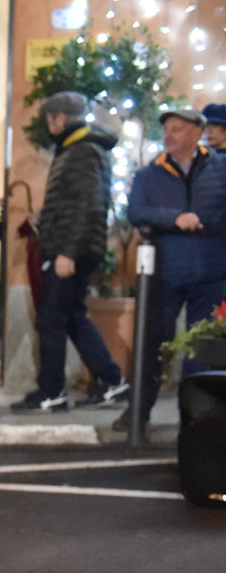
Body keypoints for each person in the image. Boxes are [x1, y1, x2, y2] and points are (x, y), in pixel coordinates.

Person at [12, 92, 128, 413]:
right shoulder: (79, 149)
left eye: (50, 119)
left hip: (70, 252)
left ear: (59, 118)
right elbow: (75, 204)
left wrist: (67, 253)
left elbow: (85, 207)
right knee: (73, 317)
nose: (49, 126)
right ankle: (111, 382)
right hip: (71, 248)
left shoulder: (81, 152)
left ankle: (53, 393)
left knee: (51, 320)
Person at [121, 107, 226, 430]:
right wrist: (174, 217)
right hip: (164, 274)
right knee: (152, 342)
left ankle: (196, 419)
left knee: (201, 350)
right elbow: (136, 211)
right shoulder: (149, 174)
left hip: (211, 272)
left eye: (177, 130)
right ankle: (138, 411)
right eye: (167, 130)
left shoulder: (220, 168)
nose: (169, 135)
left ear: (197, 133)